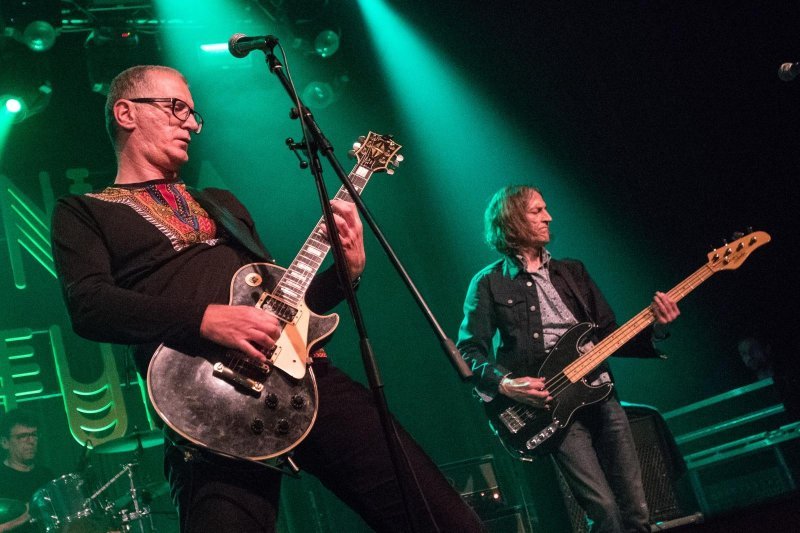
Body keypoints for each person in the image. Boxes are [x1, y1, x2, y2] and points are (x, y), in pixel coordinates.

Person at [50, 65, 484, 533]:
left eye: (194, 114)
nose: (191, 123)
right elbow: (90, 305)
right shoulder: (83, 211)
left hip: (305, 379)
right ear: (126, 113)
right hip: (202, 403)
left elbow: (284, 305)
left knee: (445, 520)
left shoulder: (220, 202)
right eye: (176, 108)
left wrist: (346, 274)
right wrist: (205, 319)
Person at [456, 185, 680, 533]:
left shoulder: (573, 272)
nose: (548, 217)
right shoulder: (489, 283)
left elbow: (609, 335)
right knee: (605, 511)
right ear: (511, 219)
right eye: (537, 211)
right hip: (551, 406)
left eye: (546, 209)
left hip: (601, 394)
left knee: (636, 509)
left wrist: (657, 328)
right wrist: (507, 384)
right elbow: (468, 351)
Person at [0, 409, 54, 532]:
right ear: (4, 442)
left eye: (34, 435)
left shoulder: (46, 475)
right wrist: (27, 515)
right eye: (22, 436)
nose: (30, 441)